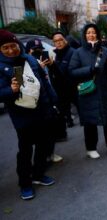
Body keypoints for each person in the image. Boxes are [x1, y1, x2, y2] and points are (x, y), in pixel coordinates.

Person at [0, 30, 57, 200]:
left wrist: (53, 100)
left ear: (18, 44)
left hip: (42, 111)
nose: (10, 50)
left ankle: (38, 174)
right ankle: (25, 183)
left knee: (43, 145)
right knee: (25, 150)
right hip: (22, 116)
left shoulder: (29, 59)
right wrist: (10, 90)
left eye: (13, 46)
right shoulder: (1, 67)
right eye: (5, 48)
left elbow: (44, 82)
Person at [69, 23, 107, 158]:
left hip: (105, 90)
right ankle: (91, 148)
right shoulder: (78, 52)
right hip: (88, 91)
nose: (91, 35)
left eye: (93, 32)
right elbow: (72, 71)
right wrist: (89, 70)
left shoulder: (105, 50)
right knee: (90, 122)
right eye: (88, 33)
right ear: (84, 35)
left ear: (97, 34)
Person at [49, 31, 77, 129]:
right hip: (61, 87)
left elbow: (65, 70)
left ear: (65, 40)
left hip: (73, 86)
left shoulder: (72, 52)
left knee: (79, 106)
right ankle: (69, 120)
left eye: (60, 40)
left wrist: (53, 66)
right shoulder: (55, 54)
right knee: (64, 106)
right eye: (55, 41)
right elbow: (56, 73)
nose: (58, 43)